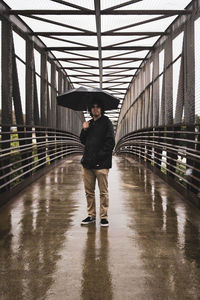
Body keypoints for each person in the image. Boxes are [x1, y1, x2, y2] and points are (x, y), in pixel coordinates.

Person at [79, 99, 115, 227]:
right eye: (93, 107)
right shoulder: (88, 124)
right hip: (87, 164)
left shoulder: (107, 123)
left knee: (103, 192)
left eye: (98, 107)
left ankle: (104, 217)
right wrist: (84, 130)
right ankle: (91, 215)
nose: (95, 109)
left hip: (101, 164)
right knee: (89, 192)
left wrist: (99, 156)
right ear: (90, 110)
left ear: (101, 109)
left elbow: (110, 142)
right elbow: (82, 141)